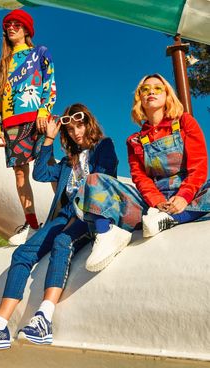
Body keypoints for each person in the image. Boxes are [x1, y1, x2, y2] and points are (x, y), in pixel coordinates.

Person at [0, 103, 118, 350]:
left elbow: (106, 177)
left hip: (91, 212)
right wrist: (49, 139)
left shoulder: (103, 146)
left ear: (89, 123)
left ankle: (44, 318)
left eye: (79, 125)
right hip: (64, 215)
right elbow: (40, 174)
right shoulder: (66, 163)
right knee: (22, 254)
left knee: (63, 242)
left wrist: (82, 209)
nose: (76, 132)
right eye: (70, 129)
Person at [73, 74, 210, 272]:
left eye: (157, 88)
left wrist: (183, 197)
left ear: (167, 95)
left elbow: (199, 167)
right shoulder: (135, 140)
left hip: (190, 196)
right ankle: (107, 233)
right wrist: (156, 202)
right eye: (145, 89)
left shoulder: (184, 123)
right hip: (150, 203)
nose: (151, 92)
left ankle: (171, 219)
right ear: (140, 99)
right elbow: (141, 178)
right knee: (94, 181)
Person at [0, 9, 56, 246]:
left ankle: (66, 212)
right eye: (8, 24)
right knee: (20, 173)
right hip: (10, 124)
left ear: (27, 29)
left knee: (48, 165)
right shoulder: (1, 65)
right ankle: (32, 224)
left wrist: (43, 110)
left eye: (16, 24)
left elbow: (49, 81)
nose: (11, 27)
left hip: (36, 118)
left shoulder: (39, 53)